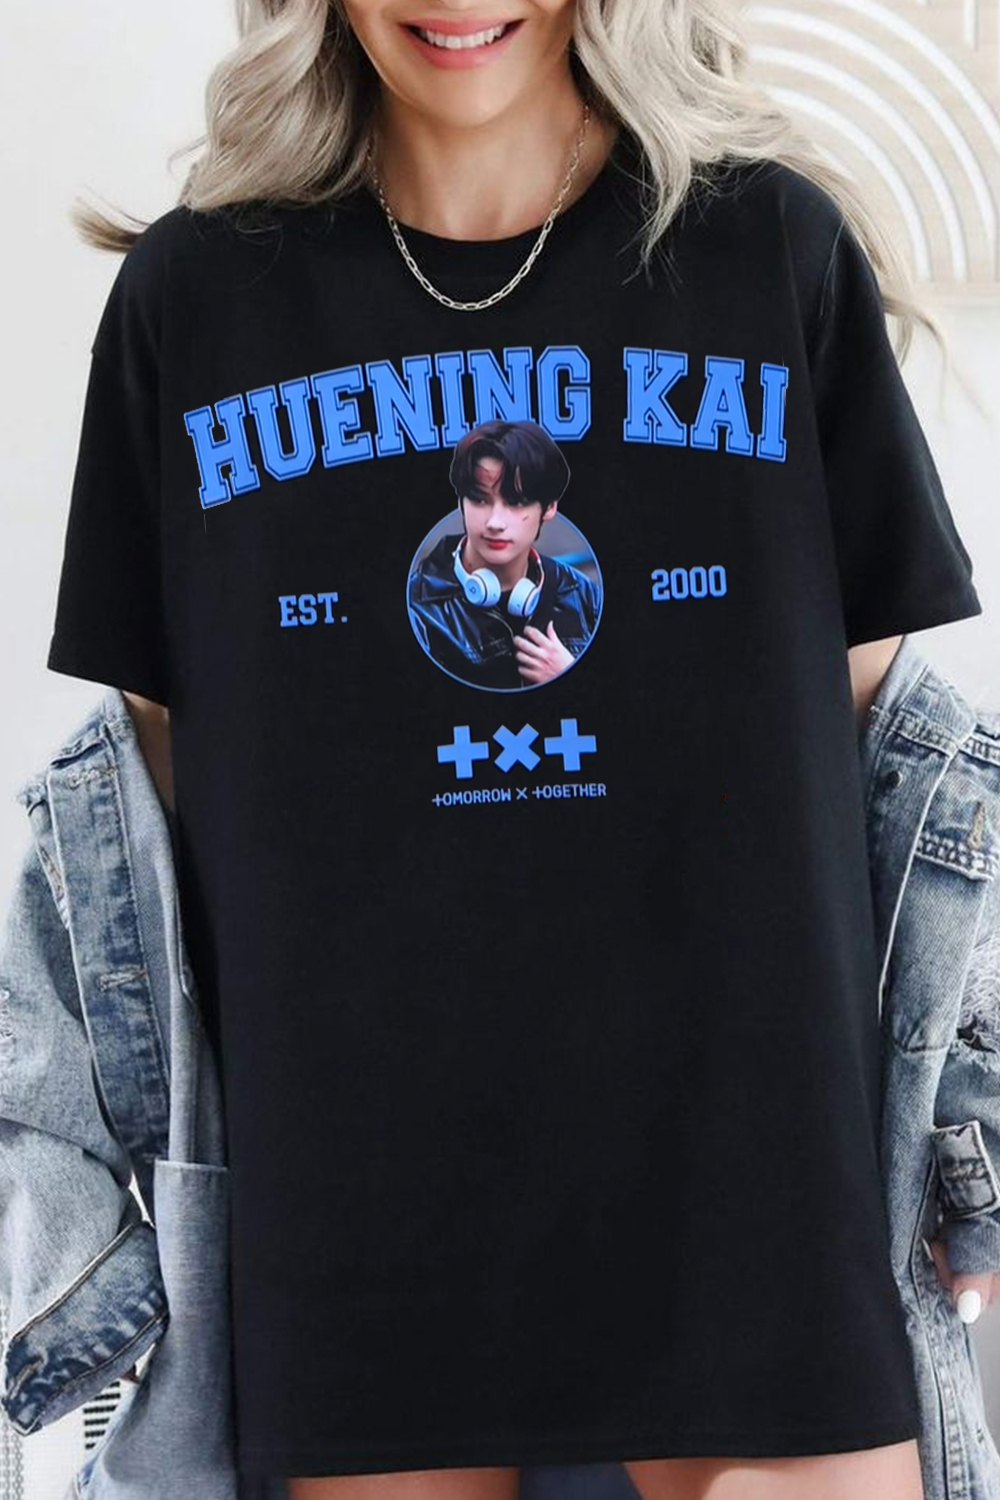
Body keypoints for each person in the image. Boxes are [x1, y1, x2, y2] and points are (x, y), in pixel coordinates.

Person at [44, 0, 987, 1495]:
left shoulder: (768, 253)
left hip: (746, 1183)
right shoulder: (197, 302)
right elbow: (139, 849)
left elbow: (901, 791)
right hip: (355, 1215)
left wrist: (968, 1134)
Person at [407, 419, 602, 690]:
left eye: (515, 502)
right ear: (461, 503)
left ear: (548, 508)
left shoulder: (584, 595)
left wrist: (568, 673)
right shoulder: (419, 607)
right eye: (480, 499)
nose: (495, 522)